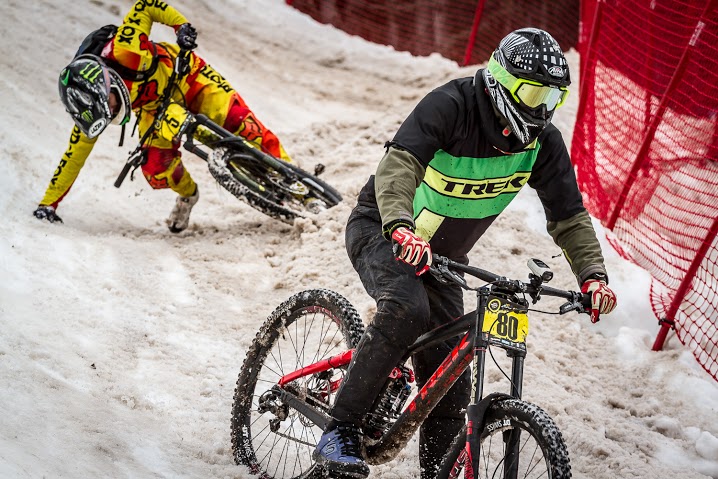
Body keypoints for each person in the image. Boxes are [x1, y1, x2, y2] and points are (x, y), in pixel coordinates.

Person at [313, 28, 618, 478]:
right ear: (500, 81)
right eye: (533, 94)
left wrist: (593, 275)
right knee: (405, 308)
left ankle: (437, 471)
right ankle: (339, 429)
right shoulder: (451, 105)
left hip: (441, 260)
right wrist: (399, 227)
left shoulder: (542, 143)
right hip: (382, 229)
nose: (541, 110)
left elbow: (569, 216)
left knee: (450, 381)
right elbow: (400, 165)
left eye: (553, 99)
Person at [33, 0, 293, 233]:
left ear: (103, 84)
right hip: (155, 107)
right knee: (156, 169)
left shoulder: (125, 47)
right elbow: (72, 159)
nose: (111, 113)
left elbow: (146, 5)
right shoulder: (91, 114)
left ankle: (291, 174)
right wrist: (48, 204)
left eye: (109, 107)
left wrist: (180, 27)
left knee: (242, 124)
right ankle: (189, 196)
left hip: (190, 77)